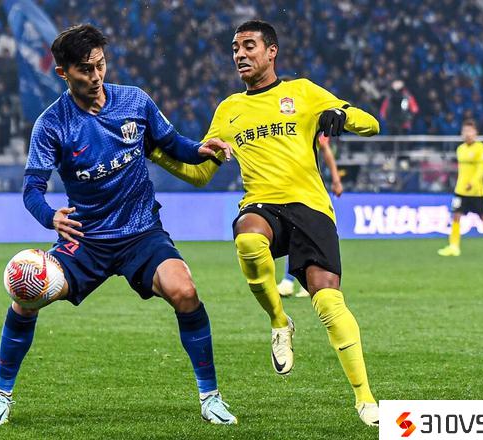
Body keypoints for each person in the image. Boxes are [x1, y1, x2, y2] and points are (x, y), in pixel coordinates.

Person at [0, 24, 237, 426]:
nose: (96, 76)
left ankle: (211, 397)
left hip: (141, 233)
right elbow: (31, 189)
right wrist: (50, 216)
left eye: (100, 65)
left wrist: (200, 149)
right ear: (63, 72)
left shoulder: (135, 100)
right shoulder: (52, 124)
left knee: (185, 292)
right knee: (26, 297)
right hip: (87, 239)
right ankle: (0, 394)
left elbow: (172, 144)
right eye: (85, 69)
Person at [147, 20, 380, 426]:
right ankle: (279, 321)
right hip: (262, 204)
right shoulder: (229, 110)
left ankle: (365, 399)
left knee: (328, 302)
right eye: (235, 48)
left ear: (271, 52)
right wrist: (155, 153)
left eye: (249, 46)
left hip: (311, 207)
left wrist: (341, 115)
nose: (240, 54)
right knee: (248, 238)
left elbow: (371, 124)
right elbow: (201, 173)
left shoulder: (303, 92)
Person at [278, 134, 343, 298]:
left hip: (310, 189)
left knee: (305, 235)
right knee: (295, 233)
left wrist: (336, 180)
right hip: (290, 186)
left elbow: (325, 149)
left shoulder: (310, 127)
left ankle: (297, 281)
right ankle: (294, 281)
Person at [438, 119, 483, 257]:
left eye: (470, 131)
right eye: (465, 131)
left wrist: (472, 183)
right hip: (460, 190)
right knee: (456, 216)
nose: (467, 134)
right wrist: (462, 184)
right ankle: (454, 247)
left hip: (476, 191)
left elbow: (481, 169)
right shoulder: (460, 149)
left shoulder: (481, 148)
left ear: (475, 133)